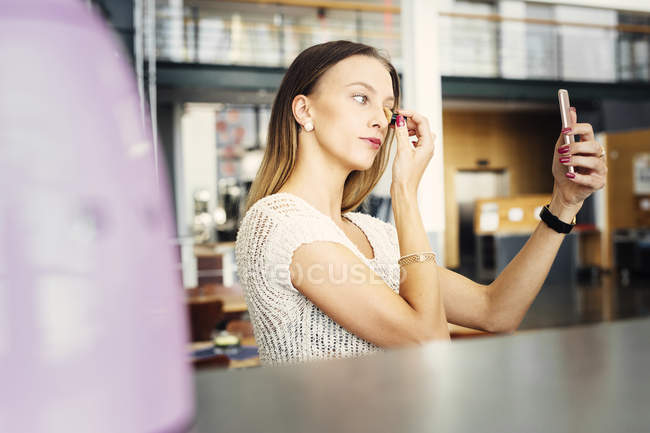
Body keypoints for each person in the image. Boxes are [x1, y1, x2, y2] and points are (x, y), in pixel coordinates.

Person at [234, 40, 607, 366]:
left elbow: (496, 311)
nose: (380, 119)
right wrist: (405, 192)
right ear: (304, 111)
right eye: (360, 97)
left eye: (387, 106)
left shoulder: (371, 233)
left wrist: (564, 202)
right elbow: (428, 342)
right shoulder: (283, 226)